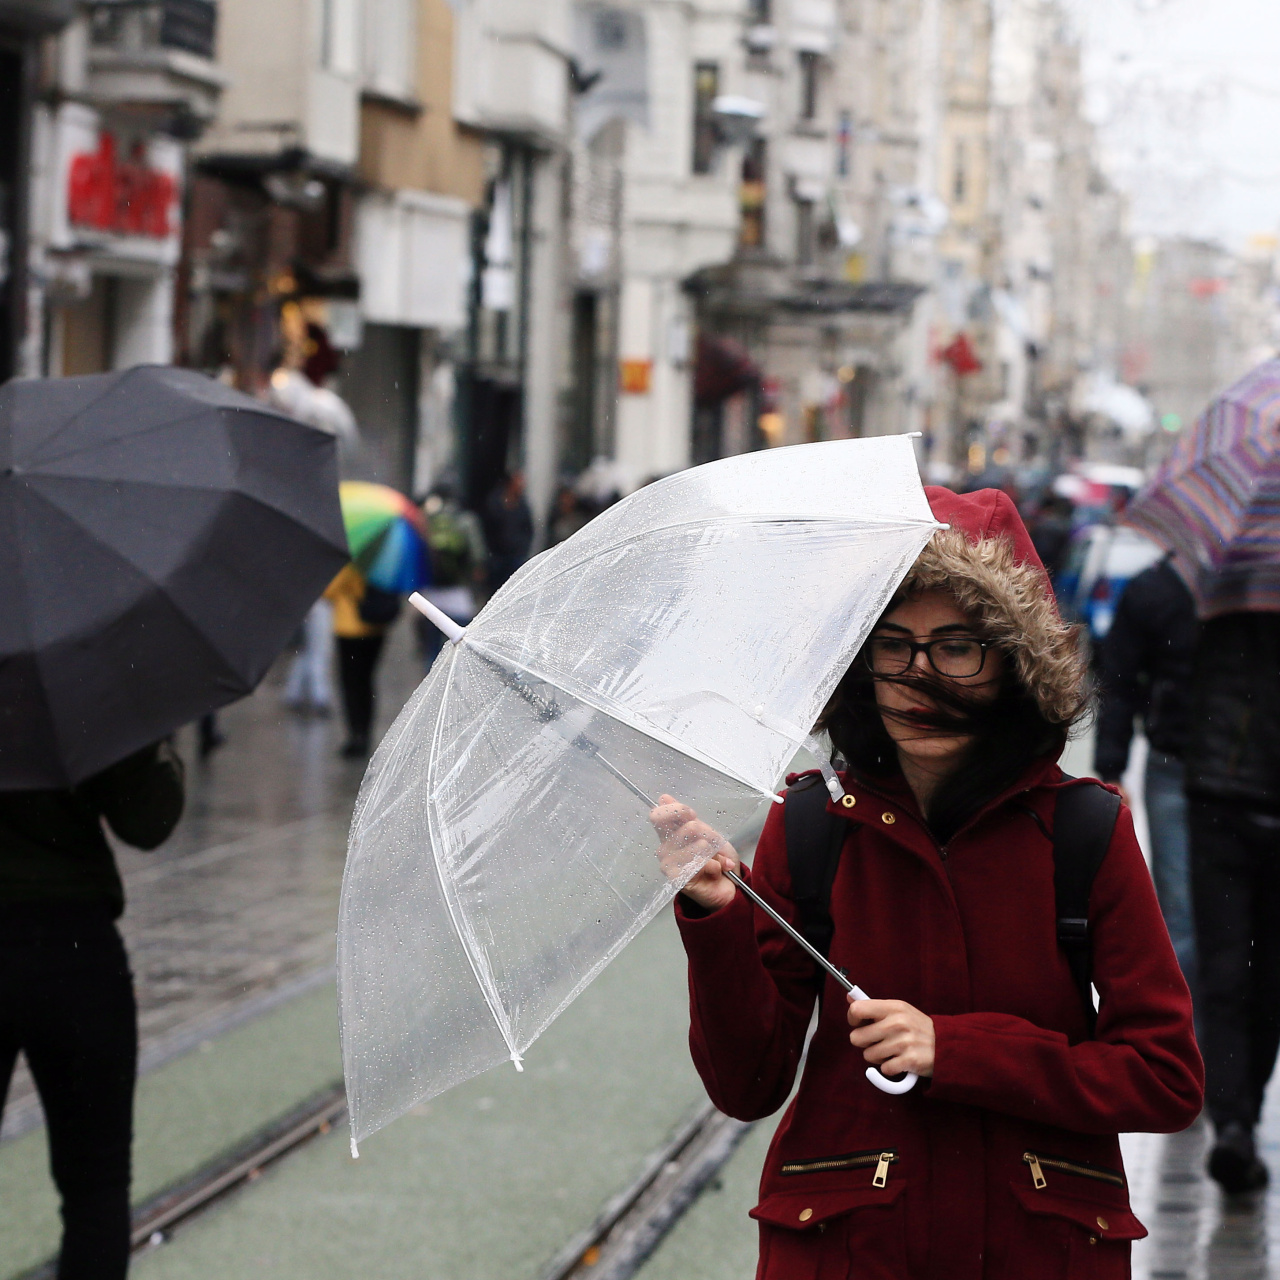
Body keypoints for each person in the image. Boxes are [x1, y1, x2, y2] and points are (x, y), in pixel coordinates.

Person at [651, 488, 1201, 1279]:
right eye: (893, 644)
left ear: (1013, 662)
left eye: (956, 647)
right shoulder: (809, 826)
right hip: (852, 1253)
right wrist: (717, 922)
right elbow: (748, 1085)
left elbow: (1165, 1078)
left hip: (1033, 1254)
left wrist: (960, 1050)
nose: (919, 675)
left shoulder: (1085, 832)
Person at [0, 742, 184, 1280]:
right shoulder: (75, 697)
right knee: (95, 1187)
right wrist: (160, 740)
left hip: (71, 941)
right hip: (72, 946)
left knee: (97, 1185)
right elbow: (147, 818)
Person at [1184, 609, 1280, 1193]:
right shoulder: (1216, 611)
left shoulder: (1213, 606)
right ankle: (1235, 1122)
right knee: (1243, 975)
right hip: (1222, 797)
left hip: (1217, 794)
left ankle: (1237, 1121)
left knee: (1245, 976)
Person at [1094, 556, 1197, 986]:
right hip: (1176, 761)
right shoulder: (1157, 589)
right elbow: (1119, 681)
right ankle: (1191, 1018)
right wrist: (1111, 767)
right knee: (1181, 911)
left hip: (1231, 768)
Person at [416, 484, 487, 669]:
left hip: (430, 597)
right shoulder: (466, 521)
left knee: (432, 651)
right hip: (459, 596)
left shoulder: (427, 520)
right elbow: (478, 556)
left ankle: (431, 679)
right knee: (461, 649)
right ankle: (456, 681)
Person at [325, 564, 390, 758]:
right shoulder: (381, 562)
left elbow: (329, 591)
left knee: (350, 683)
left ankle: (356, 734)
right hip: (376, 628)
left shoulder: (348, 563)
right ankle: (365, 732)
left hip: (349, 627)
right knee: (366, 681)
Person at [482, 469, 534, 593]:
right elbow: (488, 528)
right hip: (497, 556)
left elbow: (528, 529)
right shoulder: (495, 503)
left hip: (515, 555)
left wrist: (522, 548)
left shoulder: (522, 506)